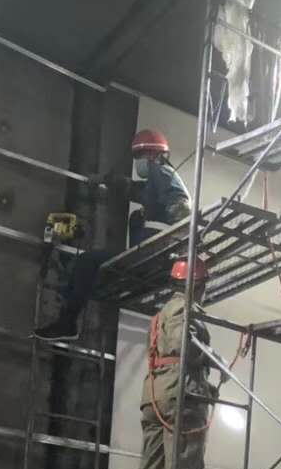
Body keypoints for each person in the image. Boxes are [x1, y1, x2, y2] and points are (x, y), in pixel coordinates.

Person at [34, 128, 191, 343]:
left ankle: (67, 321)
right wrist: (105, 180)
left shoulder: (161, 172)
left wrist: (175, 231)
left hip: (151, 257)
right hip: (148, 257)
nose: (138, 162)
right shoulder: (156, 183)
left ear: (153, 154)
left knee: (87, 262)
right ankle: (67, 316)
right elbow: (133, 189)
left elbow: (181, 205)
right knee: (90, 263)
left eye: (140, 156)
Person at [129, 255, 216, 469]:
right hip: (182, 395)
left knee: (152, 464)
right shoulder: (185, 309)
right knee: (185, 464)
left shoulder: (161, 313)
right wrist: (211, 358)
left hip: (155, 394)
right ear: (197, 285)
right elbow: (183, 346)